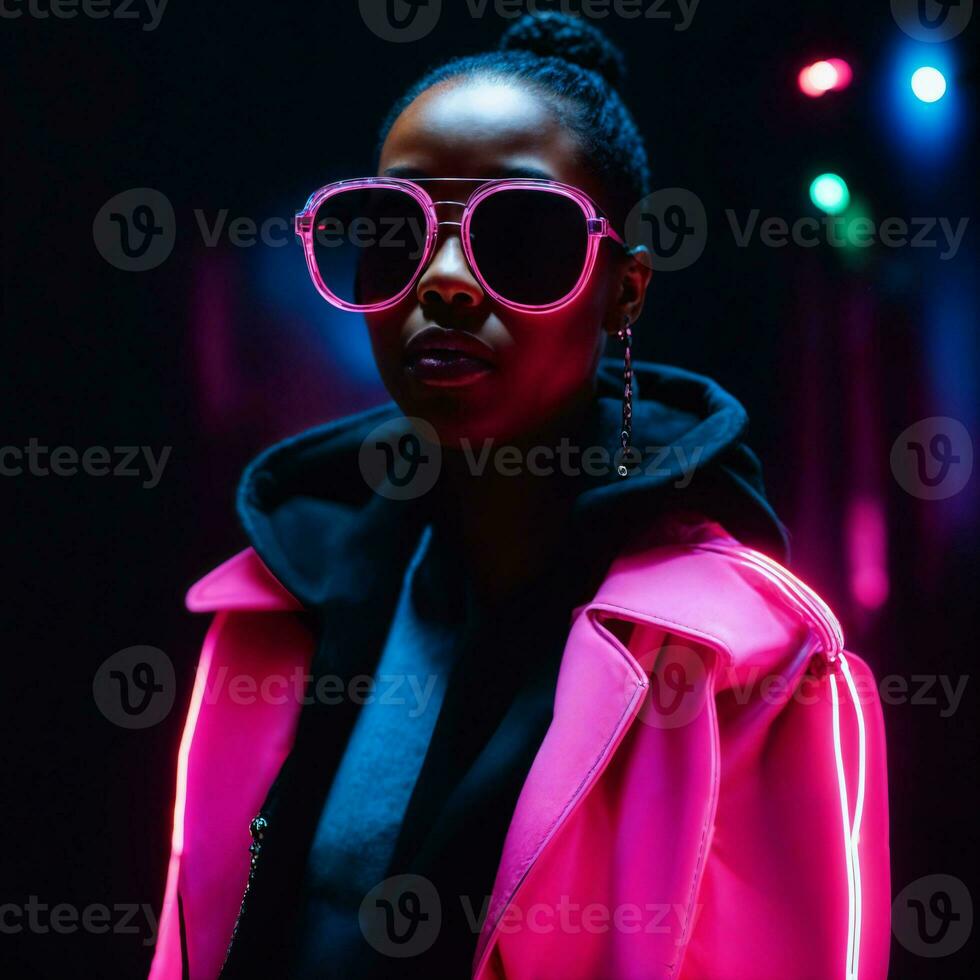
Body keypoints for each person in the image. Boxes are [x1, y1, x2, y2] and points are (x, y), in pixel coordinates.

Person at [150, 12, 889, 979]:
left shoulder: (750, 664)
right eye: (395, 232)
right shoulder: (274, 610)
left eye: (522, 238)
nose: (446, 282)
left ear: (624, 293)